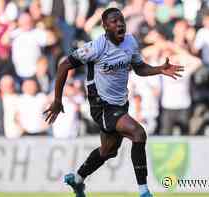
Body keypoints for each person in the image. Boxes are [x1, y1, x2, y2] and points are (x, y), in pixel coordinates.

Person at [43, 7, 183, 197]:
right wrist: (57, 100)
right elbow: (64, 65)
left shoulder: (130, 42)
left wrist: (159, 69)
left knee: (108, 151)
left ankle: (77, 179)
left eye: (121, 21)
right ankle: (144, 191)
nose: (119, 24)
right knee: (138, 133)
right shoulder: (96, 47)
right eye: (114, 21)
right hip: (101, 105)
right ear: (105, 26)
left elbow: (139, 67)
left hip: (119, 104)